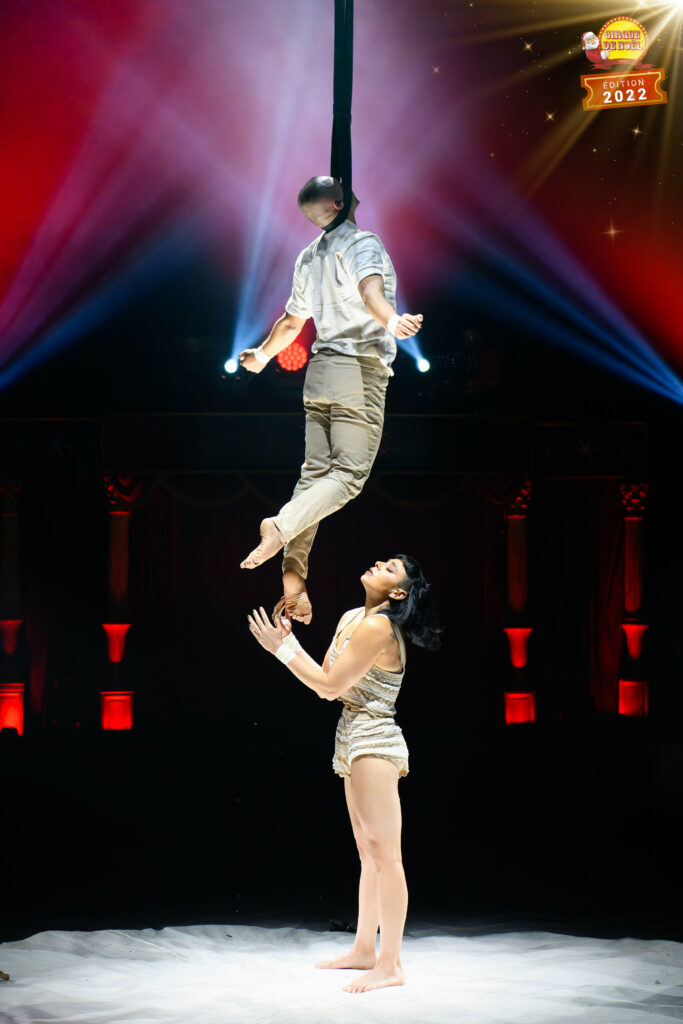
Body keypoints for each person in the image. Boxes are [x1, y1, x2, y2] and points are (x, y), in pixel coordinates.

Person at [247, 554, 441, 993]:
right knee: (367, 851)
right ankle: (364, 950)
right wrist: (291, 641)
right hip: (350, 731)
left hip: (374, 735)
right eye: (383, 560)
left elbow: (328, 687)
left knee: (386, 856)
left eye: (390, 568)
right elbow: (330, 680)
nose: (379, 563)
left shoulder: (378, 627)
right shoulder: (353, 617)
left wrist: (282, 649)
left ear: (398, 593)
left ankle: (390, 964)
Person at [239, 176, 423, 625]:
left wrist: (261, 356)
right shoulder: (362, 242)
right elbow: (369, 291)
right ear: (340, 202)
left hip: (320, 372)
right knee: (349, 477)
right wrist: (392, 320)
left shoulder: (309, 256)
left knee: (315, 480)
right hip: (357, 372)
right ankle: (279, 526)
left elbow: (291, 322)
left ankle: (294, 578)